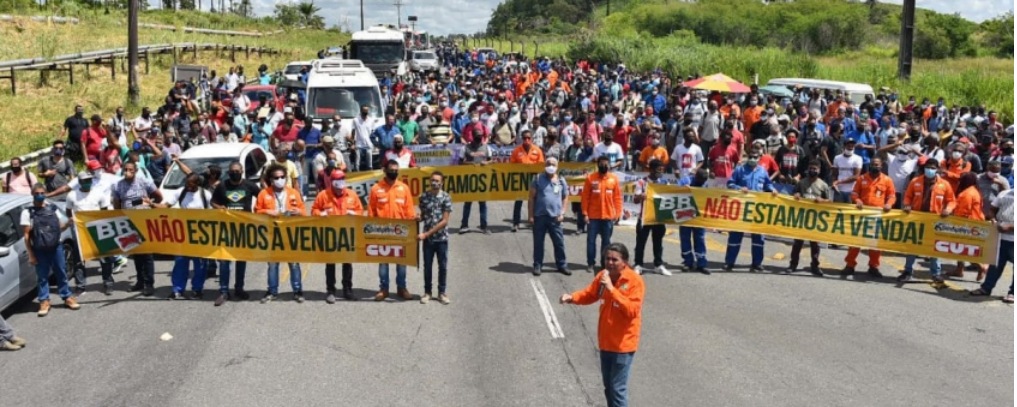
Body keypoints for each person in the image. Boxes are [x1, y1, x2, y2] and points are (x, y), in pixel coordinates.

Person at [559, 243, 644, 407]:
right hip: (606, 342)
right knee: (608, 388)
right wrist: (572, 297)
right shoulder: (603, 276)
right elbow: (590, 294)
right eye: (607, 259)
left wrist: (612, 289)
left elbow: (632, 310)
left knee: (617, 389)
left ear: (625, 262)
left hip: (623, 346)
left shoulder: (634, 281)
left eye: (615, 260)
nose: (610, 263)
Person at [152, 173, 213, 300]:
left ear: (197, 183)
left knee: (200, 265)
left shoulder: (205, 194)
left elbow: (213, 214)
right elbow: (166, 206)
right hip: (183, 235)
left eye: (191, 184)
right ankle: (177, 289)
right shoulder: (181, 192)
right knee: (180, 263)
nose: (188, 186)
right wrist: (152, 205)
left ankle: (197, 289)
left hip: (200, 236)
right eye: (186, 183)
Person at [210, 161, 261, 306]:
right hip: (226, 229)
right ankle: (224, 291)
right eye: (232, 171)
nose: (235, 173)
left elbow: (262, 198)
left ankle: (239, 288)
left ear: (242, 171)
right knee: (225, 261)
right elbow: (213, 202)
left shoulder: (250, 185)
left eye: (237, 171)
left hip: (244, 230)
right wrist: (219, 207)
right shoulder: (222, 186)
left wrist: (259, 213)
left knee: (241, 260)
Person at [254, 164, 306, 303]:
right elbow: (256, 211)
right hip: (271, 234)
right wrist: (267, 211)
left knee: (294, 264)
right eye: (277, 177)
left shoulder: (293, 192)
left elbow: (303, 211)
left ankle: (297, 291)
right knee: (273, 265)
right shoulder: (264, 194)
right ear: (271, 179)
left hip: (290, 233)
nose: (280, 179)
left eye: (283, 177)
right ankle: (272, 291)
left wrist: (299, 212)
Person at [23, 183, 77, 317]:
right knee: (42, 277)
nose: (40, 196)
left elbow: (60, 229)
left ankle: (67, 297)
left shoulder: (53, 209)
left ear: (46, 193)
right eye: (36, 194)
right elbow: (26, 236)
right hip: (39, 249)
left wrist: (68, 223)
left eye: (42, 193)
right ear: (32, 195)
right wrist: (31, 254)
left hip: (56, 247)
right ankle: (44, 301)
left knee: (61, 273)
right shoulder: (27, 212)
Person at [311, 169, 363, 303]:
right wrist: (320, 214)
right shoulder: (323, 195)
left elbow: (360, 210)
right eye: (337, 181)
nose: (340, 187)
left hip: (347, 234)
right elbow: (314, 210)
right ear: (332, 182)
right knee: (330, 264)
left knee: (347, 263)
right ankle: (330, 290)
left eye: (342, 180)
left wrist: (354, 213)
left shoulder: (351, 194)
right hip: (330, 235)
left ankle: (347, 289)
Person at [900, 157, 956, 283]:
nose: (929, 170)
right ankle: (907, 270)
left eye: (932, 168)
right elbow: (908, 197)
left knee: (934, 247)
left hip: (935, 220)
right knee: (913, 246)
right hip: (917, 218)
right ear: (923, 168)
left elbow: (952, 201)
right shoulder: (915, 181)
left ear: (937, 169)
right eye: (928, 168)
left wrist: (948, 209)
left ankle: (936, 273)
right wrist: (907, 205)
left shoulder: (944, 184)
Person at [112, 161, 163, 296]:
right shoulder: (118, 185)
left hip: (145, 222)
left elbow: (159, 196)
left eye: (130, 169)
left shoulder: (143, 181)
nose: (127, 171)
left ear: (135, 171)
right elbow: (117, 205)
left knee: (147, 254)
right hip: (129, 224)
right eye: (125, 169)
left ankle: (149, 283)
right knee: (137, 254)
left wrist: (150, 204)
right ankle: (140, 281)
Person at [368, 160, 417, 301]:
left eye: (396, 170)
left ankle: (402, 288)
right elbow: (371, 211)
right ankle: (384, 289)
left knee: (401, 262)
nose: (394, 172)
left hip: (401, 232)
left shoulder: (404, 188)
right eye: (391, 170)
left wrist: (412, 226)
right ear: (385, 170)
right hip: (382, 232)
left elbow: (409, 210)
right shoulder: (376, 189)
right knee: (383, 263)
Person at [65, 171, 116, 296]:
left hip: (97, 229)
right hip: (80, 230)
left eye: (89, 180)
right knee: (80, 259)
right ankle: (80, 286)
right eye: (85, 181)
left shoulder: (98, 194)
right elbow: (68, 211)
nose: (87, 183)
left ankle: (108, 282)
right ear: (80, 182)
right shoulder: (72, 195)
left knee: (104, 257)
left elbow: (104, 211)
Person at [843, 157, 896, 278]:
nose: (875, 166)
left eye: (877, 164)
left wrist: (889, 204)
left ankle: (873, 266)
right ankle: (850, 265)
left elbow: (892, 196)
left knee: (874, 243)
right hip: (862, 215)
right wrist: (857, 200)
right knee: (855, 241)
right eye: (873, 164)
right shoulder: (861, 178)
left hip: (877, 216)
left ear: (881, 166)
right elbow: (854, 193)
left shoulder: (887, 180)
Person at [724, 150, 775, 272]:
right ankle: (729, 262)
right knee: (735, 236)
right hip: (741, 208)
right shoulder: (740, 170)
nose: (752, 158)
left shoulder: (763, 171)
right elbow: (730, 183)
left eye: (755, 157)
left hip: (757, 210)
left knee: (758, 238)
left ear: (759, 158)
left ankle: (756, 263)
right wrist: (739, 188)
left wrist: (772, 189)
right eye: (750, 156)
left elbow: (768, 185)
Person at [785, 162, 831, 276]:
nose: (812, 170)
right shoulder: (802, 182)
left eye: (815, 168)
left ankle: (815, 265)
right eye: (811, 168)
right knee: (797, 243)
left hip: (815, 219)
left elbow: (830, 202)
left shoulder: (823, 185)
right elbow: (794, 193)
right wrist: (796, 195)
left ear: (819, 170)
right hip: (802, 218)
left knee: (815, 244)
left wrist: (823, 201)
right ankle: (793, 264)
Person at [969, 188, 1013, 303]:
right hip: (999, 238)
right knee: (995, 265)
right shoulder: (1004, 194)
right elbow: (992, 209)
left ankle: (1012, 293)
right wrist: (993, 219)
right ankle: (986, 288)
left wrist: (1010, 227)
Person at [632, 159, 675, 276]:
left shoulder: (664, 183)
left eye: (662, 169)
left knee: (658, 243)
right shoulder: (642, 182)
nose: (660, 172)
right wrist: (641, 196)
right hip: (645, 218)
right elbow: (635, 200)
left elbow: (671, 196)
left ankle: (658, 265)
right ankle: (638, 265)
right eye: (658, 169)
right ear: (651, 169)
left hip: (659, 218)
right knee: (640, 243)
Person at [528, 157, 570, 276]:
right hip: (540, 217)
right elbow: (531, 198)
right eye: (548, 163)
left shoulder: (561, 180)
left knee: (559, 243)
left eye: (553, 164)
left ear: (557, 166)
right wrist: (531, 216)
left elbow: (565, 197)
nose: (550, 166)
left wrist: (562, 213)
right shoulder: (537, 179)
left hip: (555, 217)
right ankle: (537, 265)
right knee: (538, 243)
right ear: (544, 165)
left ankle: (562, 265)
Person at [582, 155, 623, 273]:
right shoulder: (591, 178)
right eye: (602, 163)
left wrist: (618, 213)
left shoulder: (613, 179)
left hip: (608, 216)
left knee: (606, 242)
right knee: (591, 241)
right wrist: (585, 213)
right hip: (593, 216)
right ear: (597, 164)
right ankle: (590, 263)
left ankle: (604, 264)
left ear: (609, 164)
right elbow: (585, 198)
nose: (604, 165)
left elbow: (617, 198)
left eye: (606, 163)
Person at [418, 171, 453, 305]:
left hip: (441, 238)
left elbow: (445, 221)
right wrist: (418, 218)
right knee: (427, 267)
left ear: (442, 182)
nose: (434, 182)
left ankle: (442, 293)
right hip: (428, 241)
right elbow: (423, 215)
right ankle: (427, 292)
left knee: (442, 266)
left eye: (437, 180)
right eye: (432, 180)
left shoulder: (446, 197)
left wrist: (427, 234)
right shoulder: (423, 197)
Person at [949, 172, 987, 281]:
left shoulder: (967, 194)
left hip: (967, 224)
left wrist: (957, 223)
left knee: (964, 249)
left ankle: (981, 266)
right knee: (961, 248)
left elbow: (963, 211)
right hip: (974, 222)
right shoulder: (974, 191)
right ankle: (959, 269)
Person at [509, 130, 545, 232]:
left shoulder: (537, 150)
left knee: (535, 201)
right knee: (518, 201)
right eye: (524, 138)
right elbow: (511, 165)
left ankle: (534, 222)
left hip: (534, 180)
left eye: (529, 138)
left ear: (532, 139)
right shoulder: (516, 151)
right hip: (521, 180)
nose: (526, 140)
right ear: (521, 138)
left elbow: (541, 165)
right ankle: (516, 223)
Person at [459, 132, 493, 234]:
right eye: (477, 136)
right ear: (473, 137)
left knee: (482, 204)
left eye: (480, 136)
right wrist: (471, 163)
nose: (479, 138)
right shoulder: (465, 148)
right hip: (469, 179)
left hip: (482, 180)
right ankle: (464, 226)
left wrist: (486, 162)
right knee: (467, 204)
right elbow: (460, 162)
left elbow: (491, 160)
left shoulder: (487, 147)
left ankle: (484, 226)